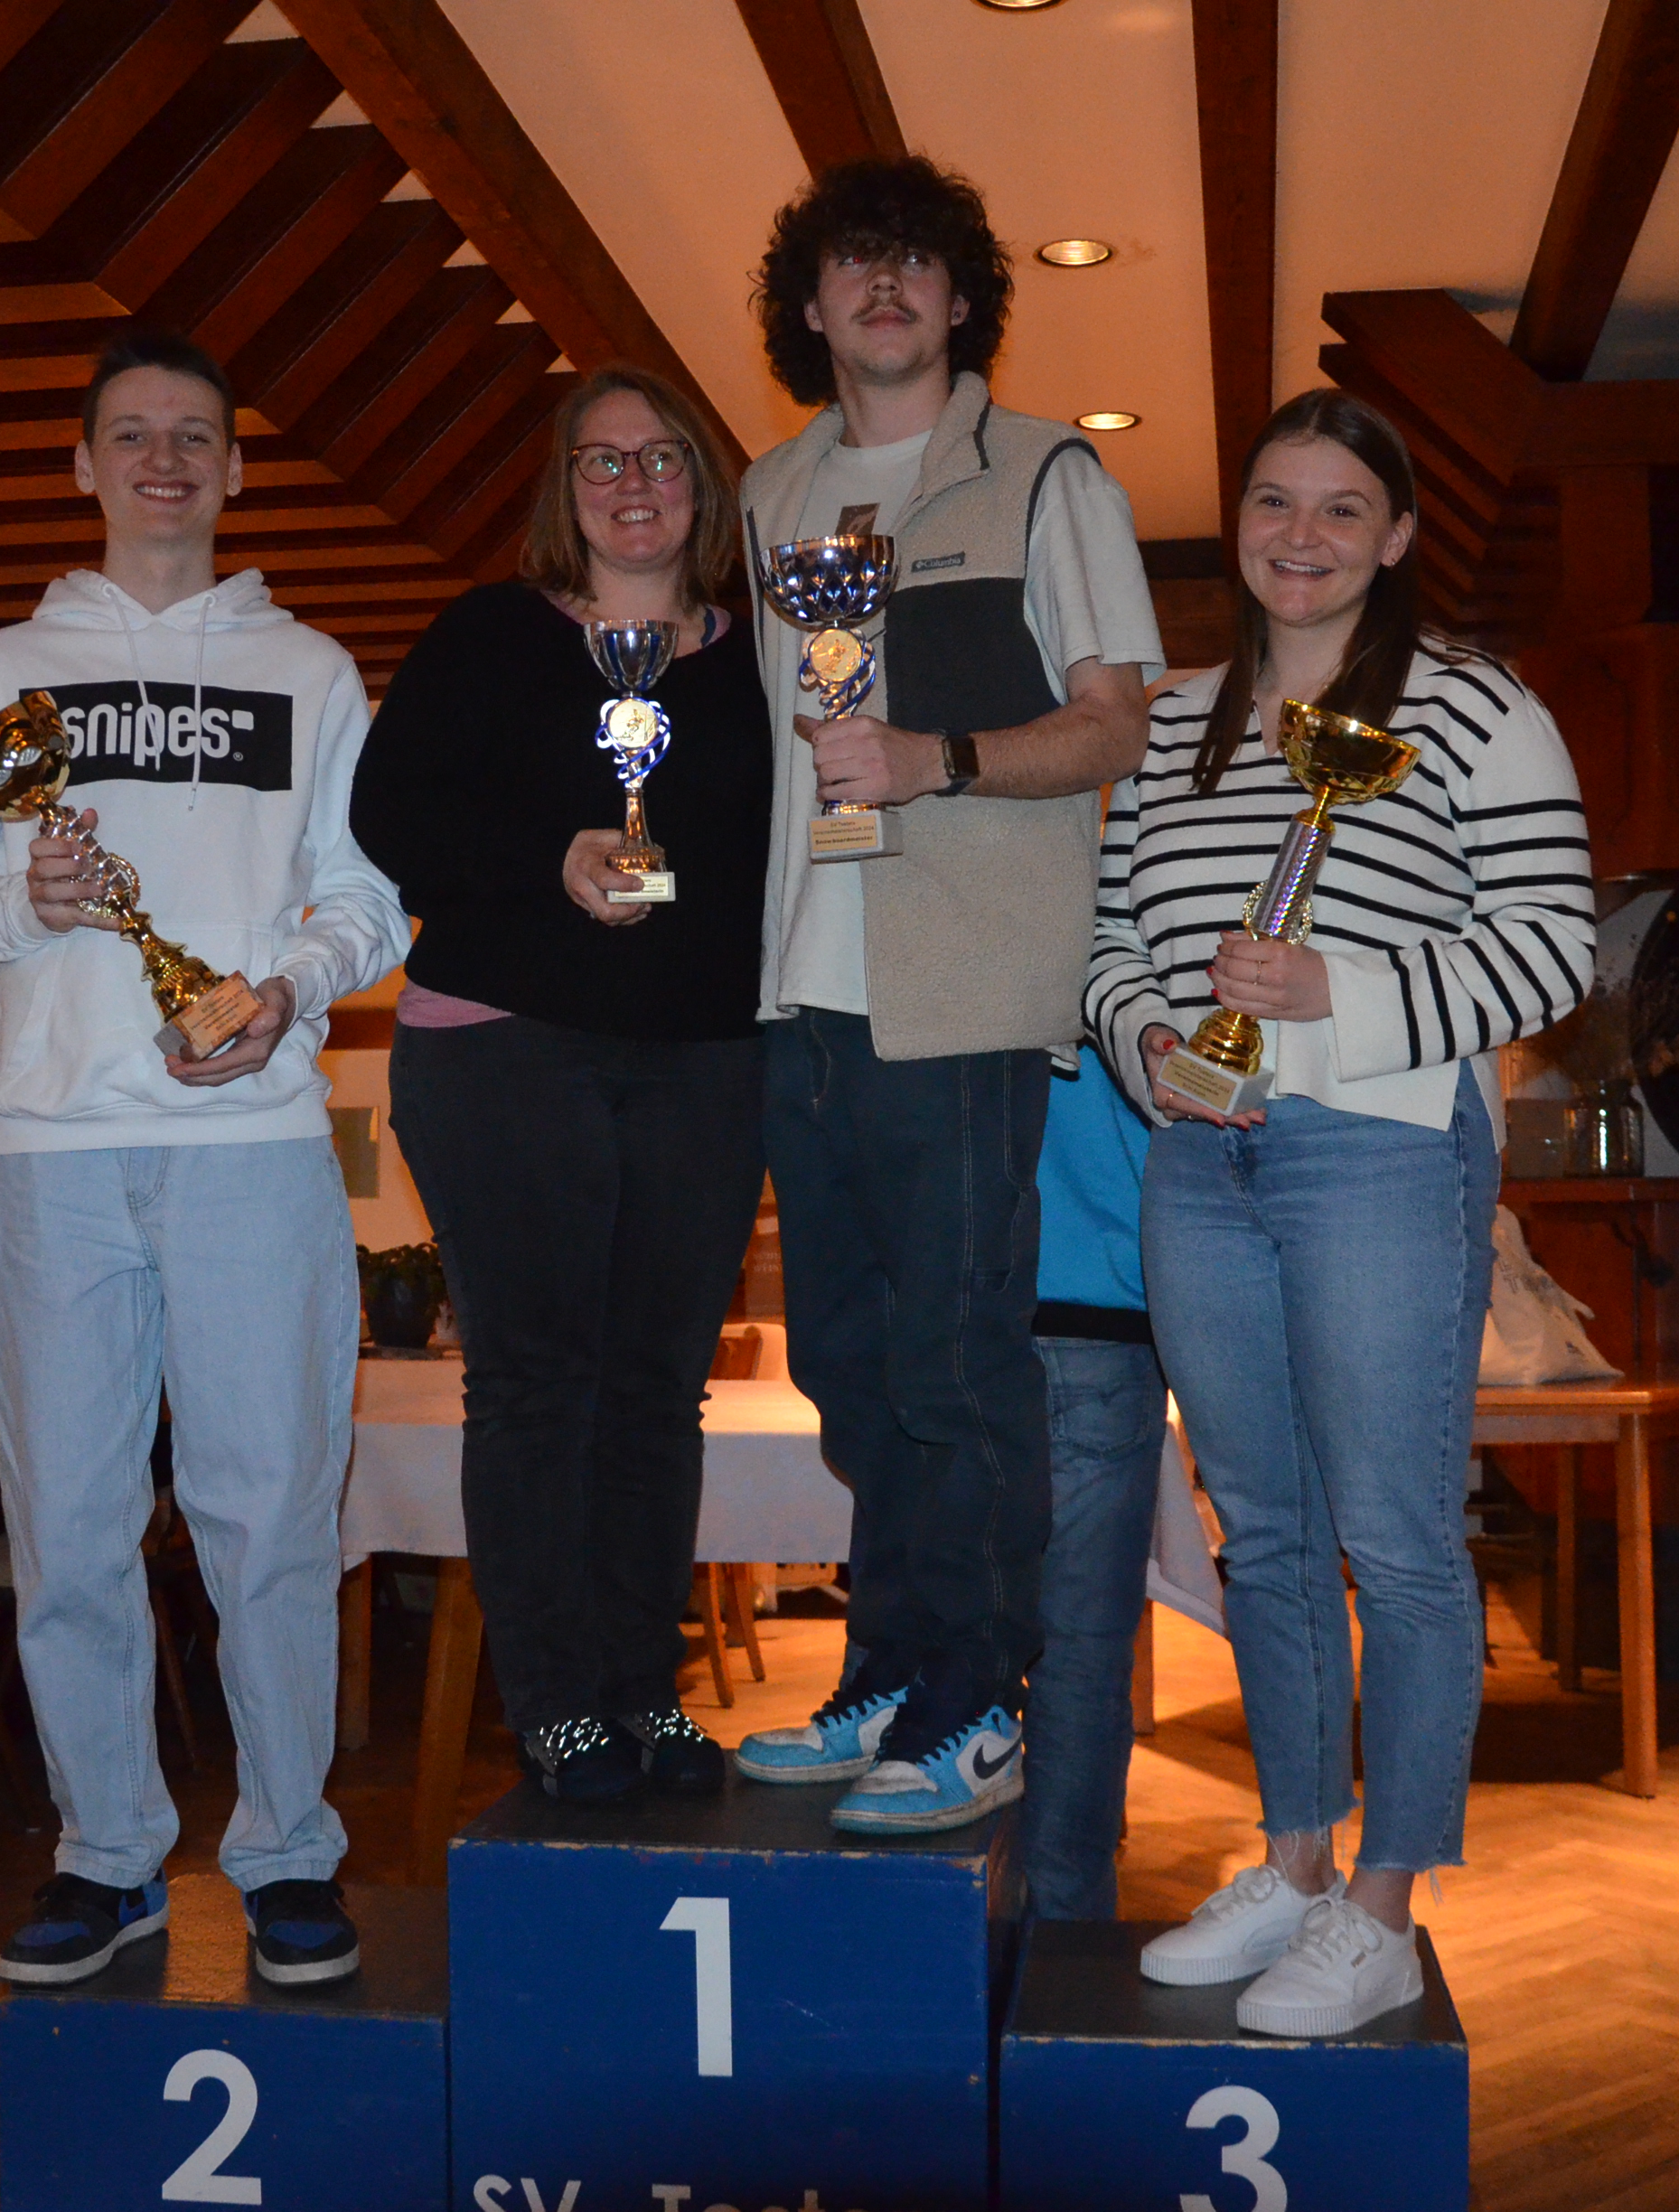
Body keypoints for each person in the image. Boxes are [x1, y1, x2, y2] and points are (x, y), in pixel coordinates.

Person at [0, 327, 408, 1990]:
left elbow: (370, 897)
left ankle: (287, 1852)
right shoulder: (8, 668)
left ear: (239, 468)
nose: (165, 460)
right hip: (55, 1151)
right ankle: (107, 1852)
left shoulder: (311, 672)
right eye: (132, 433)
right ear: (84, 465)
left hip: (254, 1141)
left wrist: (292, 992)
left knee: (272, 1516)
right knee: (67, 1524)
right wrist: (24, 899)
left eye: (195, 435)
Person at [1085, 389, 1593, 2035]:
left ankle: (1386, 1899)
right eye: (1272, 502)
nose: (1300, 535)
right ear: (1236, 523)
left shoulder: (1475, 704)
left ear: (1395, 535)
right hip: (1200, 1158)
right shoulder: (1173, 721)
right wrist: (1145, 1044)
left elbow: (1552, 947)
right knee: (1268, 1530)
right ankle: (1297, 1859)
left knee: (1396, 1533)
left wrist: (1332, 996)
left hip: (1379, 1146)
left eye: (1339, 508)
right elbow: (1110, 936)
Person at [726, 155, 1162, 1836]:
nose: (887, 285)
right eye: (856, 262)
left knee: (960, 1360)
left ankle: (981, 1700)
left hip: (965, 989)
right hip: (799, 990)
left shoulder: (1048, 474)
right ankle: (892, 1674)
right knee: (849, 1364)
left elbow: (1114, 724)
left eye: (917, 262)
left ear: (964, 296)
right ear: (811, 304)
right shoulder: (770, 490)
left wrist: (938, 759)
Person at [348, 366, 773, 1804]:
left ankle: (643, 1689)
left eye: (662, 458)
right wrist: (554, 859)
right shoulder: (489, 633)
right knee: (535, 1387)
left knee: (658, 1392)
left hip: (704, 1059)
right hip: (502, 1046)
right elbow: (391, 812)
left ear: (703, 485)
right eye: (603, 460)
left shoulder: (769, 659)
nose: (633, 484)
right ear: (563, 487)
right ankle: (556, 1705)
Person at [1018, 1054, 1168, 1918]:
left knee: (949, 1641)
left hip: (965, 1301)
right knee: (1080, 1656)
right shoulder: (1134, 970)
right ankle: (1065, 1928)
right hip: (1106, 1297)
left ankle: (959, 1923)